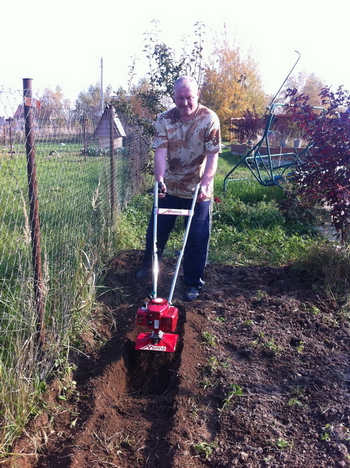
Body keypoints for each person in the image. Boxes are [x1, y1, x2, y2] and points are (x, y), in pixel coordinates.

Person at [136, 76, 221, 301]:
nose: (184, 103)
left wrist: (206, 183)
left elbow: (213, 156)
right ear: (174, 97)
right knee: (156, 232)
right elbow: (160, 152)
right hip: (170, 187)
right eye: (180, 98)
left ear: (197, 96)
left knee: (196, 237)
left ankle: (193, 282)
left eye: (189, 98)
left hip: (198, 191)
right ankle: (149, 267)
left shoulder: (209, 119)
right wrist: (160, 180)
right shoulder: (164, 119)